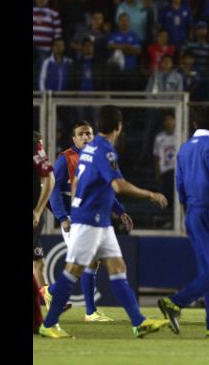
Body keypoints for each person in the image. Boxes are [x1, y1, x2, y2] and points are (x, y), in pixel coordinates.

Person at [39, 106, 171, 339]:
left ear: (98, 127)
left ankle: (138, 322)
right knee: (73, 272)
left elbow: (78, 182)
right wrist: (150, 195)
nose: (85, 137)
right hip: (88, 221)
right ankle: (48, 322)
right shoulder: (104, 151)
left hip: (98, 221)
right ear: (119, 127)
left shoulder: (88, 152)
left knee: (118, 268)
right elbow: (118, 185)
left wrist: (111, 209)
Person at [157, 106, 209, 339]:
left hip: (192, 212)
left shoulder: (184, 149)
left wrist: (186, 214)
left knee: (208, 269)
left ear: (194, 124)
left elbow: (180, 185)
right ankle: (175, 302)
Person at [46, 121, 132, 322]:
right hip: (73, 219)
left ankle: (54, 293)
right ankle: (89, 312)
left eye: (89, 133)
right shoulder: (65, 159)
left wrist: (120, 211)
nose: (85, 137)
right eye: (81, 134)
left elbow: (105, 189)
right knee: (87, 263)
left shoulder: (95, 157)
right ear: (73, 138)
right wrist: (62, 217)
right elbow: (53, 190)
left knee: (88, 264)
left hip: (89, 218)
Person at [33, 131, 55, 334]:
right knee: (38, 263)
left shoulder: (34, 145)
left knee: (38, 263)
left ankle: (46, 308)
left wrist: (38, 210)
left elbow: (50, 178)